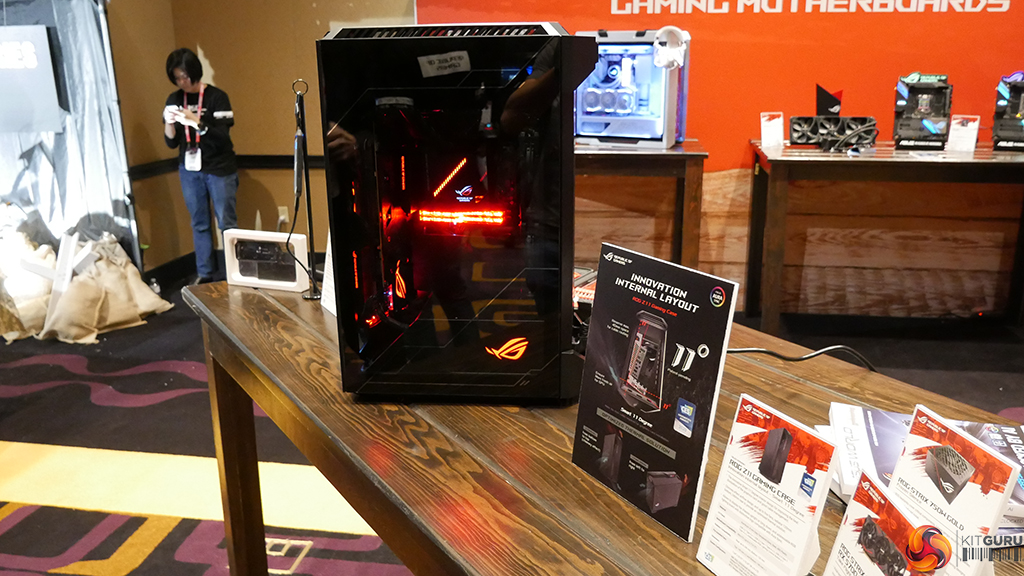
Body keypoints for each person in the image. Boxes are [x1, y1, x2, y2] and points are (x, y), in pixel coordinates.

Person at [163, 47, 237, 283]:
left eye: (184, 76)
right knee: (199, 223)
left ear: (194, 72)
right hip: (189, 169)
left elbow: (222, 138)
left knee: (227, 223)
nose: (181, 82)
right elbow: (171, 142)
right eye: (176, 78)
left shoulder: (217, 97)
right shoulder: (175, 99)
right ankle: (204, 273)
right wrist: (169, 122)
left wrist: (197, 122)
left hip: (219, 168)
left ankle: (233, 273)